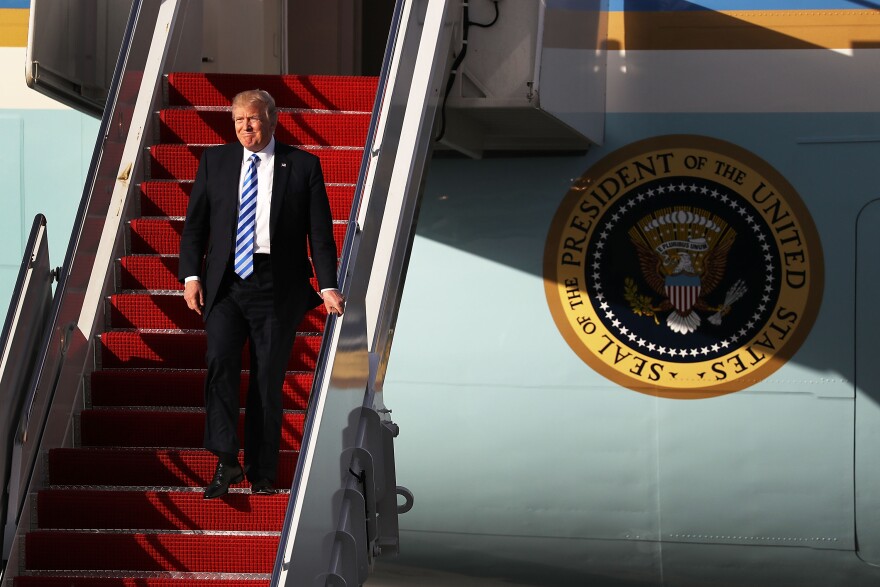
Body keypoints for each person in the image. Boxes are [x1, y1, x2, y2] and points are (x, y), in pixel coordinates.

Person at [179, 89, 345, 499]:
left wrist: (327, 286)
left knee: (268, 381)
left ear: (272, 119)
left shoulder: (303, 166)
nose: (244, 127)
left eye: (252, 119)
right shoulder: (214, 162)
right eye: (238, 120)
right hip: (226, 283)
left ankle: (262, 472)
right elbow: (195, 226)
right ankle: (226, 460)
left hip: (276, 284)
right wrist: (190, 277)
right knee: (219, 362)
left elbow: (319, 234)